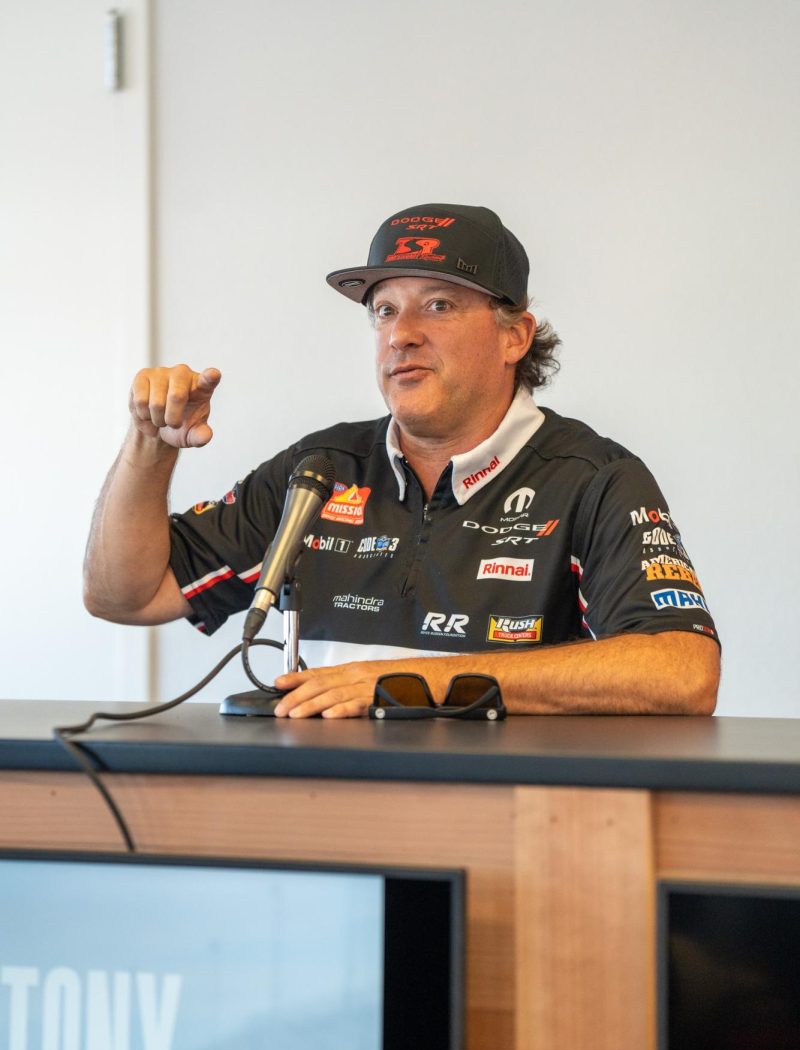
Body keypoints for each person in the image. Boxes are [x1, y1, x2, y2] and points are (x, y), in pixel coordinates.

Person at [83, 202, 721, 717]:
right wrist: (148, 445)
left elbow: (681, 671)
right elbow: (126, 597)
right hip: (326, 821)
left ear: (514, 336)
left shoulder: (593, 477)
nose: (401, 333)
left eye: (438, 305)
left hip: (511, 827)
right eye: (385, 310)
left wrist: (411, 681)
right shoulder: (321, 467)